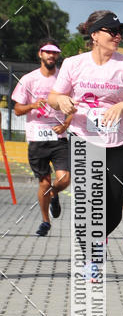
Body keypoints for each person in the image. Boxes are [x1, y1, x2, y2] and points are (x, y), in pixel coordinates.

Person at [47, 11, 123, 255]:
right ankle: (89, 250)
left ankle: (100, 235)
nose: (118, 36)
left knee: (113, 207)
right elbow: (53, 97)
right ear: (95, 34)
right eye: (112, 31)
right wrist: (61, 100)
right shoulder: (74, 64)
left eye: (120, 32)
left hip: (119, 143)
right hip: (84, 139)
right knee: (88, 200)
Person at [11, 39, 72, 237]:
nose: (51, 56)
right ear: (40, 54)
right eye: (47, 52)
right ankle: (45, 221)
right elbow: (18, 109)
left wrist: (65, 124)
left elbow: (73, 107)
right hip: (36, 138)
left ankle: (53, 194)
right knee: (44, 183)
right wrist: (33, 105)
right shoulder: (28, 80)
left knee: (64, 179)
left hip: (59, 137)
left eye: (54, 53)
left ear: (58, 56)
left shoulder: (63, 80)